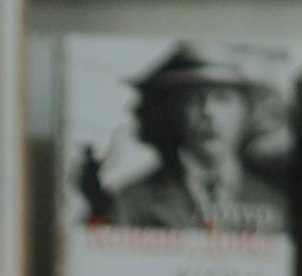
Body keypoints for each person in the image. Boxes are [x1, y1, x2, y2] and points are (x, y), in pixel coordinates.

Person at [75, 43, 289, 232]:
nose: (208, 112)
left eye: (222, 99)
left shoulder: (277, 203)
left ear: (248, 112)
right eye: (192, 99)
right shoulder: (129, 203)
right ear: (171, 111)